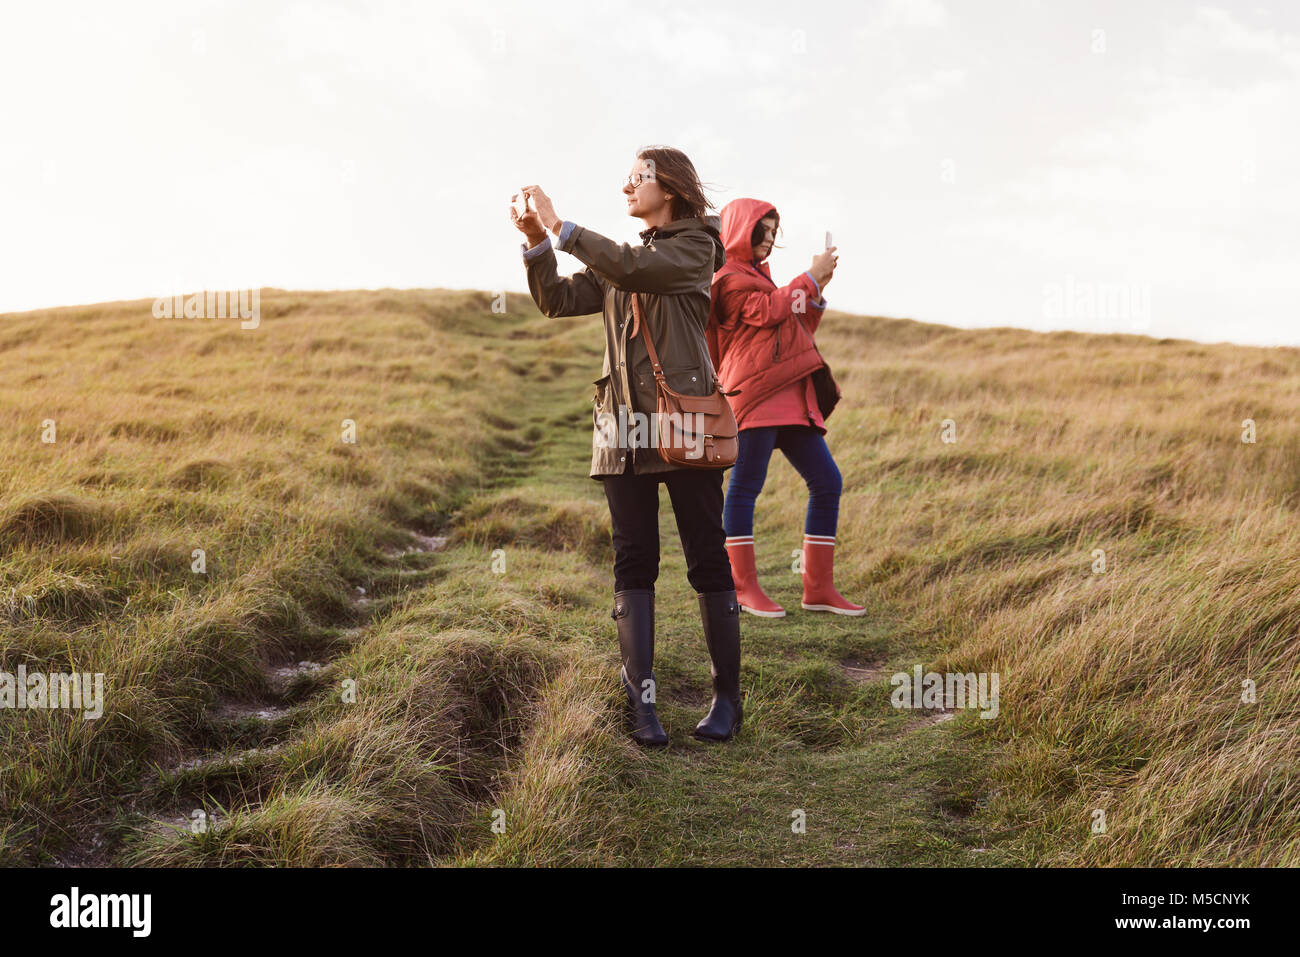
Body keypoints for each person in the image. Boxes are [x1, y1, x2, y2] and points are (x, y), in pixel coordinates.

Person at [510, 147, 743, 746]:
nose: (626, 189)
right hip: (622, 428)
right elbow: (557, 300)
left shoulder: (696, 249)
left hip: (684, 423)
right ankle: (643, 705)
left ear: (668, 185)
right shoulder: (624, 259)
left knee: (706, 556)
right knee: (633, 560)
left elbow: (641, 273)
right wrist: (537, 242)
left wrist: (564, 228)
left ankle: (727, 701)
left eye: (636, 178)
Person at [707, 198, 865, 618]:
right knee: (745, 489)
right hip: (755, 396)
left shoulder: (764, 279)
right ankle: (742, 589)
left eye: (775, 232)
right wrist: (809, 278)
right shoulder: (729, 279)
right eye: (764, 230)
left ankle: (818, 589)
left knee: (828, 481)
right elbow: (768, 312)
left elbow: (794, 327)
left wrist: (817, 291)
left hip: (793, 399)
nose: (770, 239)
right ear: (742, 230)